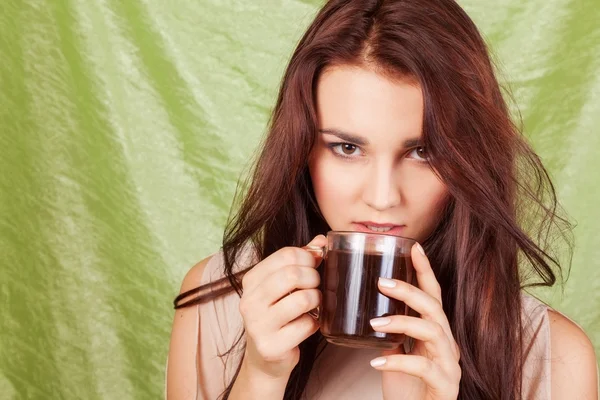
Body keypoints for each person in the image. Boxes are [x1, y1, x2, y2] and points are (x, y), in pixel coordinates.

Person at [166, 0, 598, 399]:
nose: (382, 198)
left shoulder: (552, 362)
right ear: (301, 151)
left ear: (470, 160)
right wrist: (260, 377)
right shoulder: (220, 304)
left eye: (423, 152)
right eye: (347, 148)